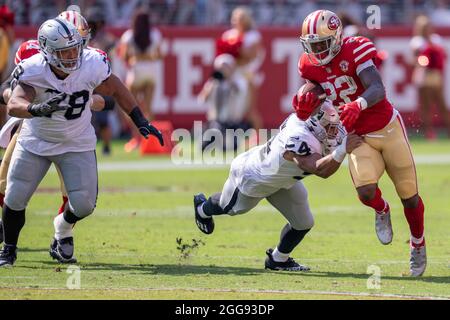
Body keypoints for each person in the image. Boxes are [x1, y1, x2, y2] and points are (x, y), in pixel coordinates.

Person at [0, 17, 163, 267]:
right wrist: (36, 108)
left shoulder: (92, 62)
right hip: (36, 140)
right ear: (47, 51)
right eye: (65, 51)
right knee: (14, 196)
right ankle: (9, 249)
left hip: (76, 142)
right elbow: (14, 103)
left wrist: (139, 119)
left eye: (75, 47)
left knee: (85, 204)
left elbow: (116, 88)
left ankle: (62, 226)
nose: (72, 55)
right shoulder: (33, 67)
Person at [294, 10, 427, 276]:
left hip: (388, 128)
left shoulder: (356, 49)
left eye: (322, 44)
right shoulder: (308, 64)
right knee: (366, 192)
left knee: (409, 196)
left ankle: (417, 243)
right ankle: (382, 209)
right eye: (313, 46)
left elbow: (377, 88)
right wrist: (306, 99)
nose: (317, 51)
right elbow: (320, 89)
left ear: (336, 37)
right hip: (357, 135)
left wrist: (359, 103)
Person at [194, 100, 362, 271]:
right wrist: (342, 150)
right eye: (328, 127)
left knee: (303, 223)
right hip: (253, 177)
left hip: (283, 180)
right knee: (229, 207)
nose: (334, 132)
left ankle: (278, 260)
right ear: (314, 124)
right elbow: (320, 170)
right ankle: (202, 208)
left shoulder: (316, 126)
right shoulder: (299, 136)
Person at [0, 10, 109, 248]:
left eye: (81, 40)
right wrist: (28, 105)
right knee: (5, 183)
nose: (76, 48)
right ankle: (7, 235)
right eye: (72, 40)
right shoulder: (32, 56)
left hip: (72, 134)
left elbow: (103, 98)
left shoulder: (91, 59)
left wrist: (86, 101)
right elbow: (7, 89)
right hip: (33, 128)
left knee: (76, 195)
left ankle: (62, 235)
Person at [119, 9, 165, 153]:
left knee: (131, 108)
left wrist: (136, 57)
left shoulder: (128, 36)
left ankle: (136, 138)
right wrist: (148, 57)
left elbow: (124, 57)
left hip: (136, 72)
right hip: (151, 73)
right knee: (148, 109)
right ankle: (150, 141)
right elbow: (160, 55)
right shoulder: (155, 34)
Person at [218, 6, 264, 144]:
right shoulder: (228, 35)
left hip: (247, 75)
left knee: (250, 110)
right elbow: (222, 55)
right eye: (235, 18)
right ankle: (230, 138)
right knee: (230, 110)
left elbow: (251, 56)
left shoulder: (253, 36)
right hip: (232, 76)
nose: (237, 21)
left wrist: (237, 50)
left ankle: (256, 138)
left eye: (241, 18)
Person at [198, 54, 250, 151]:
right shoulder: (213, 82)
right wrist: (212, 86)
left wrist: (229, 80)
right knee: (204, 147)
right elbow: (202, 99)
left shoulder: (238, 81)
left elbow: (239, 92)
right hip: (216, 122)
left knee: (230, 147)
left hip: (233, 123)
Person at [410, 15, 449, 139]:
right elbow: (415, 58)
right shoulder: (417, 41)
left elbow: (442, 55)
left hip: (435, 75)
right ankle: (429, 132)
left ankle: (448, 129)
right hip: (423, 74)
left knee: (442, 104)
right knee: (426, 105)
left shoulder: (436, 39)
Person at [87, 7, 118, 155]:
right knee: (86, 118)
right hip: (86, 83)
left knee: (103, 118)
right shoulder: (84, 38)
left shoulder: (107, 39)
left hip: (101, 82)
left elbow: (111, 56)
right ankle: (88, 147)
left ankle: (106, 145)